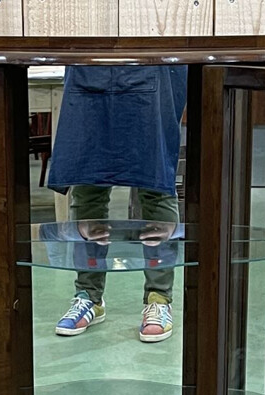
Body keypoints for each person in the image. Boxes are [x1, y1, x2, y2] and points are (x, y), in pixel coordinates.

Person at [46, 64, 187, 342]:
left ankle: (159, 299)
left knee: (155, 180)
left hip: (153, 59)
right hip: (90, 61)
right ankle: (88, 295)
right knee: (88, 180)